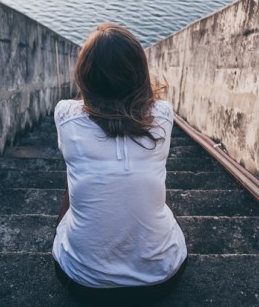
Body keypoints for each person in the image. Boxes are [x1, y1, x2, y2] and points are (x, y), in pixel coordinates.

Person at [52, 23, 188, 306]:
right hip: (161, 278)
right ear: (139, 73)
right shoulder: (163, 115)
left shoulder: (65, 116)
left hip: (83, 282)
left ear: (84, 75)